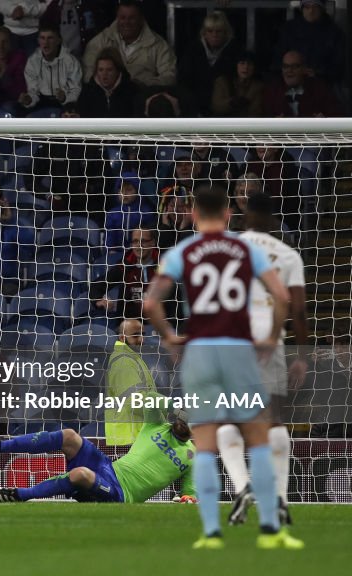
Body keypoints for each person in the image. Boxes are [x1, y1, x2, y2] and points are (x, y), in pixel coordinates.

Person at [143, 184, 302, 549]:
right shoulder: (246, 248)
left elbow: (151, 302)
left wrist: (169, 336)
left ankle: (211, 532)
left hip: (200, 350)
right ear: (229, 214)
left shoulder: (184, 250)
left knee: (204, 442)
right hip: (238, 349)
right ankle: (270, 531)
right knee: (260, 437)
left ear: (194, 215)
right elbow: (281, 297)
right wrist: (271, 335)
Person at [220, 193, 308, 527]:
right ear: (273, 220)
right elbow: (297, 309)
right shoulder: (287, 256)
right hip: (271, 342)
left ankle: (242, 487)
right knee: (273, 419)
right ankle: (281, 497)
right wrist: (302, 356)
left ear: (244, 216)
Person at [0, 404, 195, 503]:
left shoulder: (193, 456)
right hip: (108, 468)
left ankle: (19, 495)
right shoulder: (157, 425)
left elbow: (190, 493)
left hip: (121, 495)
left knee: (80, 474)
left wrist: (188, 498)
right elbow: (150, 399)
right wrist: (174, 407)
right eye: (182, 417)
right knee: (70, 436)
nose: (182, 422)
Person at [81, 0, 176, 89]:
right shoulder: (101, 40)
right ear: (117, 18)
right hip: (107, 97)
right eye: (122, 18)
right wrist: (106, 83)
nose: (126, 22)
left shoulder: (158, 44)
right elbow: (87, 72)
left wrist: (145, 83)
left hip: (142, 95)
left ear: (141, 19)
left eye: (132, 18)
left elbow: (170, 76)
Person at [177, 11, 240, 117]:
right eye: (210, 31)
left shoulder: (235, 51)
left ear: (226, 33)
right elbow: (184, 81)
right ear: (204, 33)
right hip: (195, 107)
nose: (214, 35)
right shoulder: (193, 50)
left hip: (225, 110)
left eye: (218, 31)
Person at [104, 319, 157, 446]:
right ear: (122, 338)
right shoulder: (124, 362)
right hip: (128, 439)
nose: (141, 339)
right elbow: (135, 402)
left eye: (143, 334)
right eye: (135, 335)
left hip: (133, 436)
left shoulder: (132, 358)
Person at [91, 227, 160, 323]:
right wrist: (99, 300)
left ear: (153, 243)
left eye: (143, 241)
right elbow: (96, 285)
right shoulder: (125, 265)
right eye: (135, 241)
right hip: (128, 328)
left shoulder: (165, 266)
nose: (139, 245)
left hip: (160, 327)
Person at [18, 25, 82, 117]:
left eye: (50, 38)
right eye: (42, 38)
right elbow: (33, 91)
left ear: (58, 41)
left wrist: (64, 98)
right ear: (38, 41)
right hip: (41, 102)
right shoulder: (32, 61)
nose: (46, 42)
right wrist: (28, 99)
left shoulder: (71, 61)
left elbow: (75, 90)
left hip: (65, 104)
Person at [263, 50, 339, 118]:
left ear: (304, 69)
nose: (289, 70)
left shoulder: (319, 88)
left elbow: (338, 117)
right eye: (286, 66)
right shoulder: (273, 91)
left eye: (295, 66)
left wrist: (325, 121)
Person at [71, 48, 138, 118]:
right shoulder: (87, 91)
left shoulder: (132, 91)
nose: (104, 74)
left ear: (118, 71)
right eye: (100, 70)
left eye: (109, 70)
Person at [211, 52, 264, 118]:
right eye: (242, 63)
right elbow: (216, 106)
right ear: (235, 65)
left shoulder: (257, 86)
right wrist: (232, 103)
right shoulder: (222, 82)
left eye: (250, 64)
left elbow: (255, 113)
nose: (246, 67)